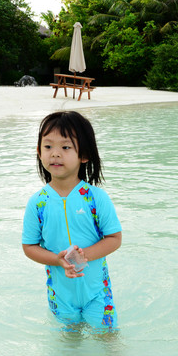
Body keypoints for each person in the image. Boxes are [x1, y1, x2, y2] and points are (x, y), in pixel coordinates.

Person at [22, 111, 122, 331]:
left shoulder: (95, 198)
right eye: (48, 147)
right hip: (60, 294)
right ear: (39, 152)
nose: (55, 154)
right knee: (70, 344)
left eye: (65, 147)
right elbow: (29, 246)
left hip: (97, 292)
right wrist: (57, 260)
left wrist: (86, 255)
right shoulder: (38, 203)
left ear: (84, 155)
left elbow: (114, 238)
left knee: (108, 340)